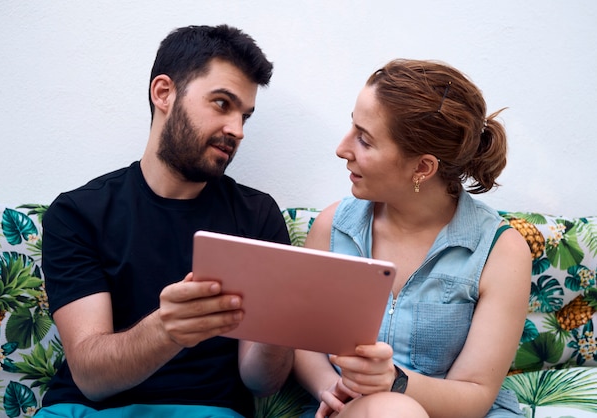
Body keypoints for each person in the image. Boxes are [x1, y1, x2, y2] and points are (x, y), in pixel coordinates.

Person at [38, 24, 293, 418]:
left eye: (245, 115)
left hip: (207, 411)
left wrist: (278, 324)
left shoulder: (256, 216)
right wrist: (166, 330)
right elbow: (90, 375)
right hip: (82, 409)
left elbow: (262, 381)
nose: (237, 131)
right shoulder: (77, 214)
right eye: (222, 104)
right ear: (164, 93)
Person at [294, 59, 532, 418]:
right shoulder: (333, 228)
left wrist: (394, 382)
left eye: (364, 139)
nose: (342, 149)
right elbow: (304, 341)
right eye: (352, 127)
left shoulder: (501, 250)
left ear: (423, 167)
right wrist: (330, 388)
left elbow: (475, 394)